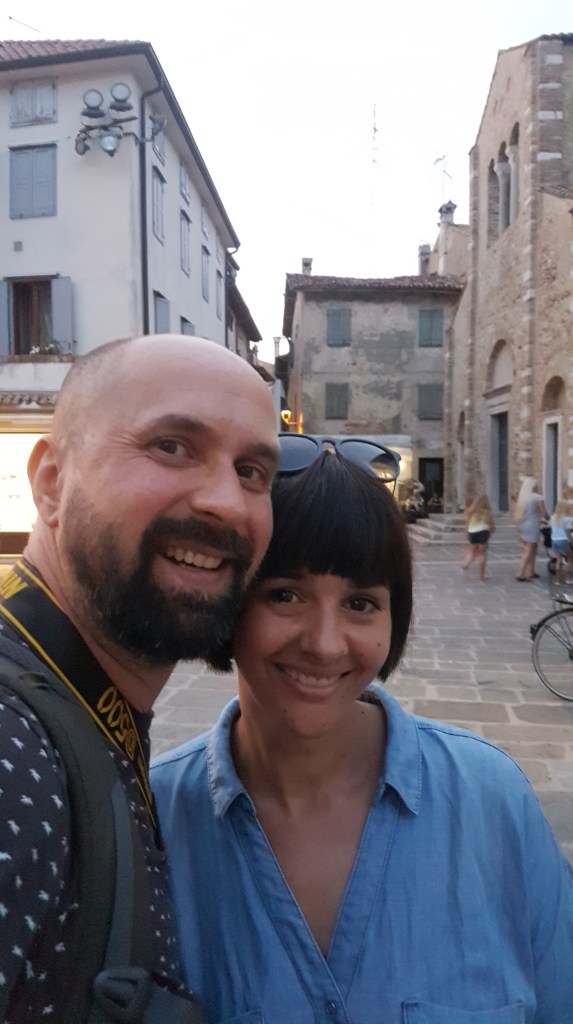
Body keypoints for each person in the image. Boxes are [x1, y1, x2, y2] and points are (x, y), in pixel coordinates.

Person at [152, 438, 573, 1023]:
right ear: (230, 603)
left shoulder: (491, 802)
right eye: (284, 595)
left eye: (360, 604)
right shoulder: (152, 824)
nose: (325, 645)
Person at [0, 334, 279, 1023]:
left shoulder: (84, 717)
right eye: (171, 446)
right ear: (52, 482)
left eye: (251, 471)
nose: (227, 502)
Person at [514, 476, 547, 581]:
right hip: (533, 525)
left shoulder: (522, 498)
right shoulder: (538, 497)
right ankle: (520, 573)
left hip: (523, 525)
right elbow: (543, 512)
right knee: (529, 550)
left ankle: (531, 571)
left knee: (531, 548)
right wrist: (544, 522)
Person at [460, 493, 495, 580]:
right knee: (482, 554)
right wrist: (489, 533)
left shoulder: (471, 511)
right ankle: (481, 575)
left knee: (472, 552)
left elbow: (467, 522)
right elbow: (490, 524)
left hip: (472, 532)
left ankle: (466, 564)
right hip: (483, 532)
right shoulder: (487, 512)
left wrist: (467, 532)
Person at [549, 499, 573, 582]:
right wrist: (571, 540)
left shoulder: (553, 517)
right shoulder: (567, 519)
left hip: (554, 540)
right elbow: (568, 530)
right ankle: (568, 579)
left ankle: (557, 579)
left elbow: (550, 527)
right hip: (564, 540)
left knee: (558, 559)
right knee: (569, 559)